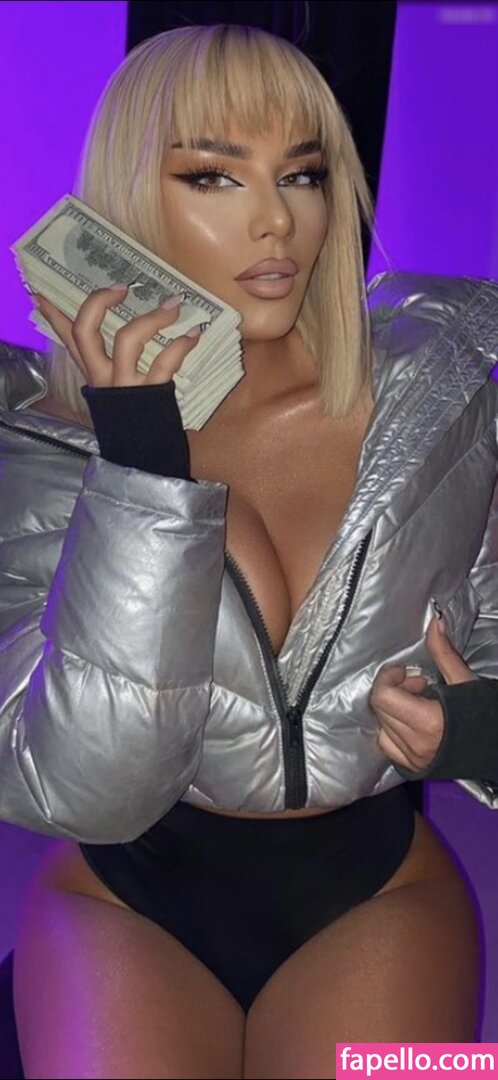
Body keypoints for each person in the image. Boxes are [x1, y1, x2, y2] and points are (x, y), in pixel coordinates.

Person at [1, 22, 497, 1079]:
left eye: (303, 172)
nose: (278, 218)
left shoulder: (447, 394)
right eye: (215, 177)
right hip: (120, 898)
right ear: (130, 199)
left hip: (381, 889)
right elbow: (76, 784)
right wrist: (138, 462)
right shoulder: (37, 443)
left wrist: (477, 730)